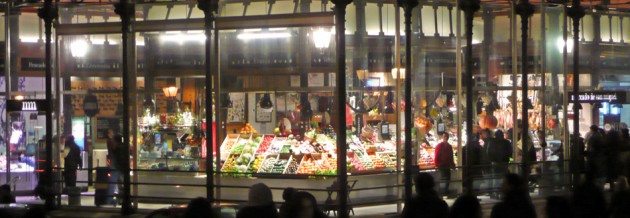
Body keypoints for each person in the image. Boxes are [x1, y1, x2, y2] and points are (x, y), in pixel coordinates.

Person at [487, 130, 512, 199]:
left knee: (495, 178)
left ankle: (496, 193)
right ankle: (502, 193)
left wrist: (490, 160)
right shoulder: (507, 142)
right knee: (503, 178)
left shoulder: (491, 142)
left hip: (494, 162)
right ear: (502, 135)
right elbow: (510, 153)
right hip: (504, 163)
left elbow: (488, 152)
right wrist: (509, 161)